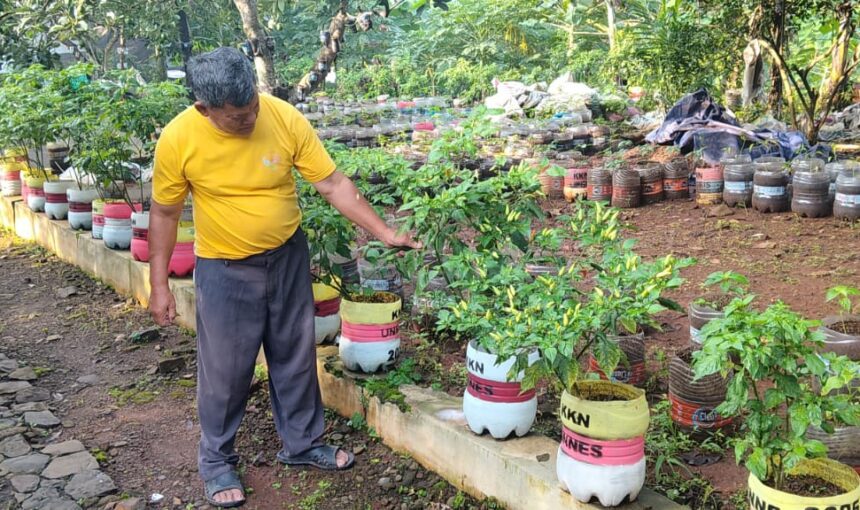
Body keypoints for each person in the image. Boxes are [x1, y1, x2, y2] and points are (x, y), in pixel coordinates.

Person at [147, 47, 420, 508]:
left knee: (295, 353)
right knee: (226, 371)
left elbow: (332, 183)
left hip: (287, 256)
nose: (251, 118)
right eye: (238, 116)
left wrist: (385, 231)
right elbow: (165, 213)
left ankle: (303, 443)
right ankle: (216, 460)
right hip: (225, 268)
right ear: (204, 109)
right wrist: (158, 285)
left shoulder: (283, 117)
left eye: (253, 106)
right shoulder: (178, 138)